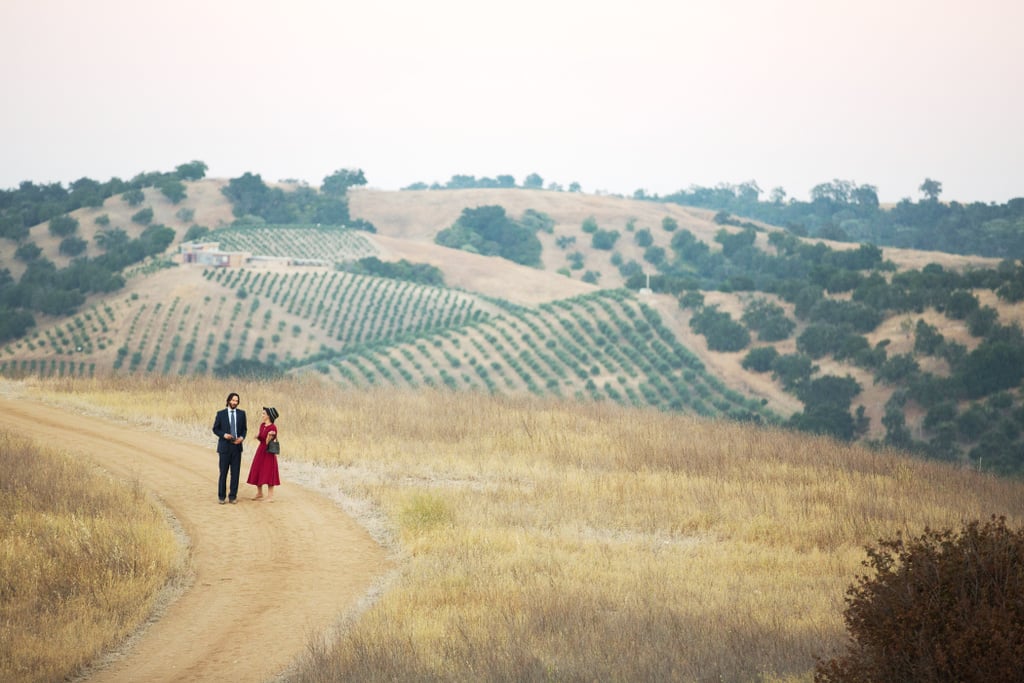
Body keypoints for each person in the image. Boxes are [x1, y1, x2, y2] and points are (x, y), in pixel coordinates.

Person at [212, 392, 247, 504]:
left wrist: (242, 437)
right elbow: (215, 429)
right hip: (224, 447)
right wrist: (224, 435)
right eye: (233, 400)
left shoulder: (242, 414)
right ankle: (221, 497)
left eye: (236, 401)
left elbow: (244, 429)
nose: (234, 403)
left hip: (237, 447)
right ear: (228, 401)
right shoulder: (221, 414)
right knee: (223, 472)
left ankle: (233, 496)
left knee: (235, 473)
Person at [247, 406, 280, 501]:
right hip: (260, 450)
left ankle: (270, 496)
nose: (262, 415)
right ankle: (259, 492)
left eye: (264, 413)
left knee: (269, 472)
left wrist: (269, 436)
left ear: (269, 416)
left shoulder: (273, 427)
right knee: (257, 469)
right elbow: (261, 438)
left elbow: (267, 442)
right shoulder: (262, 425)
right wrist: (257, 436)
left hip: (268, 452)